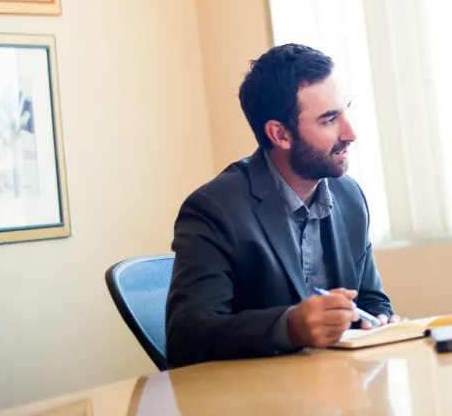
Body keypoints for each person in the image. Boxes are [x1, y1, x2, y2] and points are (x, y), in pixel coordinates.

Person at [166, 44, 395, 367]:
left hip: (338, 390)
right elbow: (186, 338)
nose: (351, 133)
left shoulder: (349, 196)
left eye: (345, 111)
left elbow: (371, 300)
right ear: (280, 134)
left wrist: (380, 319)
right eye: (329, 120)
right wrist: (289, 327)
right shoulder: (214, 209)